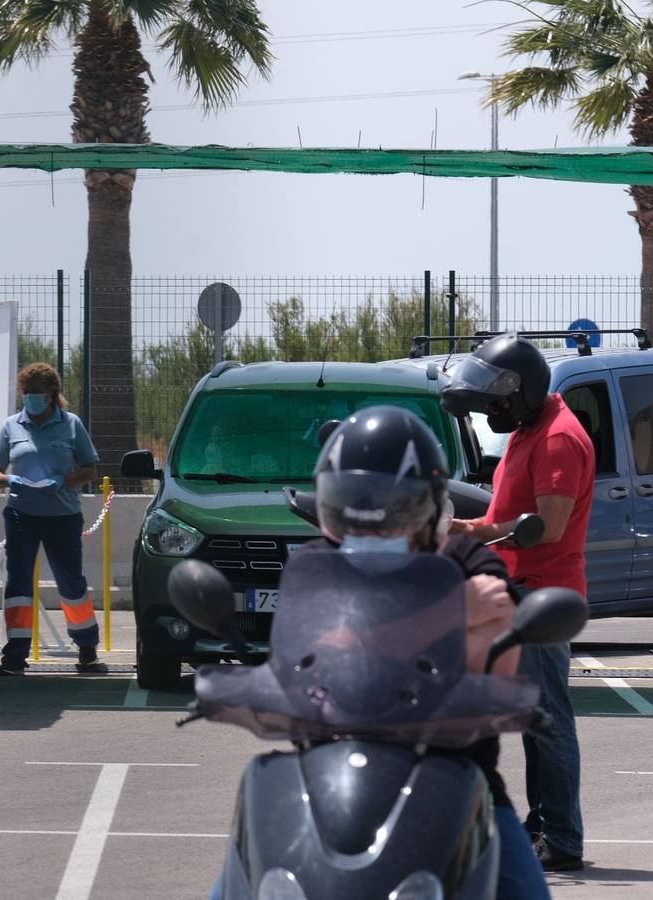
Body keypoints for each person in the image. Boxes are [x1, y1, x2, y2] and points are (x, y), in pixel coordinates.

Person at [207, 406, 550, 900]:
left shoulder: (469, 557)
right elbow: (310, 654)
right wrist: (448, 611)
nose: (372, 522)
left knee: (529, 895)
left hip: (452, 780)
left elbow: (491, 661)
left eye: (395, 507)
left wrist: (371, 632)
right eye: (354, 505)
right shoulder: (314, 565)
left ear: (430, 508)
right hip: (323, 779)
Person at [441, 334, 594, 873]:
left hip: (543, 593)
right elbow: (514, 514)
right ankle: (543, 824)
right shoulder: (531, 431)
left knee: (548, 719)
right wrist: (466, 529)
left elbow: (544, 529)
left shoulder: (557, 439)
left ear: (524, 392)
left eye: (498, 401)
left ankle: (563, 837)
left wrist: (481, 536)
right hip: (522, 588)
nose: (492, 410)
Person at [0, 363, 108, 676]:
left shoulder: (71, 425)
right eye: (26, 393)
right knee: (19, 582)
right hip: (21, 513)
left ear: (51, 393)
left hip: (62, 515)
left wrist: (63, 480)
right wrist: (9, 480)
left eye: (37, 393)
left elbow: (90, 469)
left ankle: (86, 648)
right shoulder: (11, 426)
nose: (31, 398)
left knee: (70, 582)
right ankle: (15, 655)